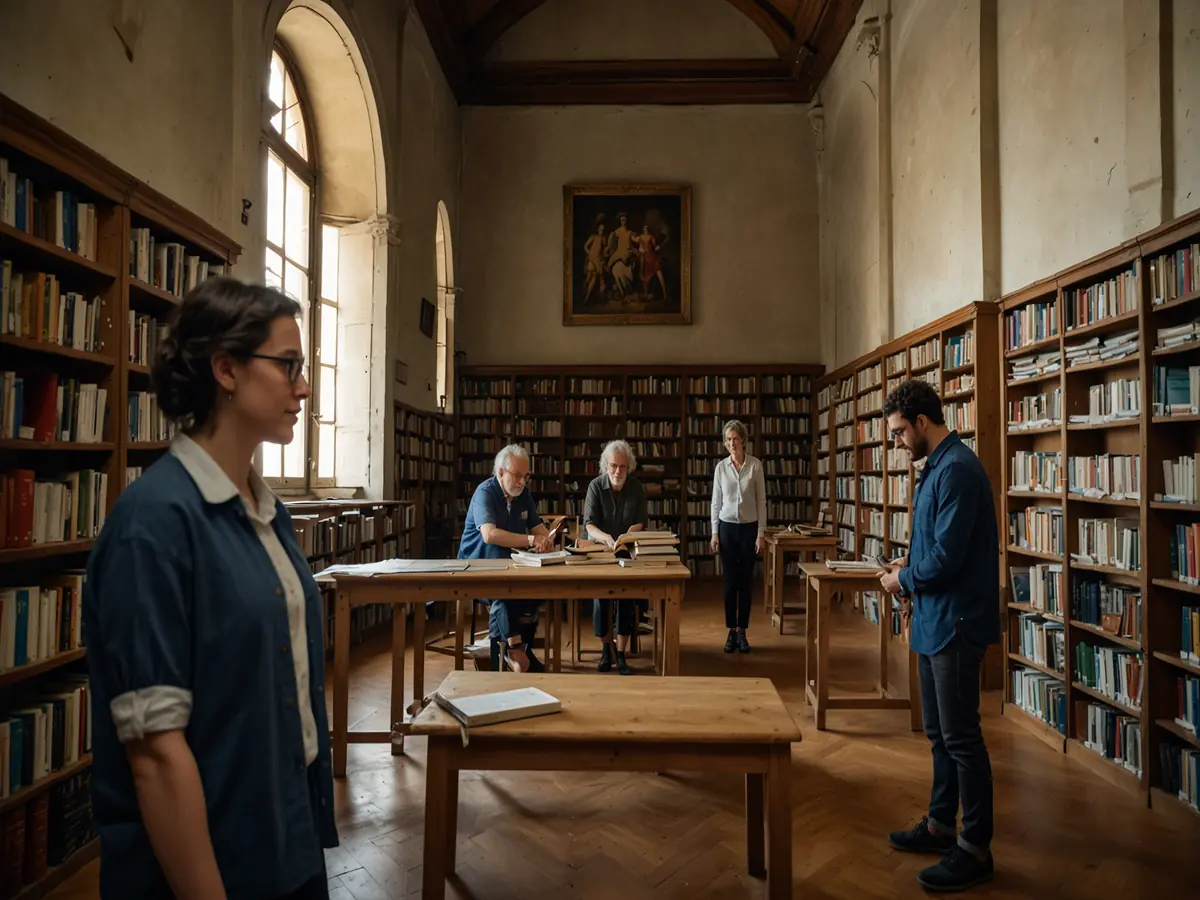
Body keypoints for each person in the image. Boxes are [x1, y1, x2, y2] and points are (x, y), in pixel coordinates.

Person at [82, 277, 337, 900]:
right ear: (226, 369)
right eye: (288, 365)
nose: (303, 386)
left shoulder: (266, 511)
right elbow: (156, 756)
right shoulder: (154, 524)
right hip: (209, 864)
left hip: (285, 835)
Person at [876, 379, 999, 893]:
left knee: (962, 738)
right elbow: (933, 544)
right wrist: (908, 560)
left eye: (901, 432)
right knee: (938, 734)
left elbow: (947, 559)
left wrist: (900, 579)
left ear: (922, 423)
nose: (898, 442)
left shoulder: (959, 470)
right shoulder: (934, 468)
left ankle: (974, 849)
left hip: (955, 622)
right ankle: (940, 823)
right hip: (933, 619)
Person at [457, 443, 555, 672]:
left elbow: (537, 526)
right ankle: (515, 649)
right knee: (503, 593)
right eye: (517, 476)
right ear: (500, 472)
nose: (522, 482)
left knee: (534, 593)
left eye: (526, 476)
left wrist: (546, 539)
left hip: (509, 566)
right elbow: (489, 535)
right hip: (477, 564)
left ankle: (513, 654)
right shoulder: (485, 492)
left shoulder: (523, 494)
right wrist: (532, 541)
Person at [583, 439, 648, 675]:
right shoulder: (595, 487)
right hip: (600, 550)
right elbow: (589, 525)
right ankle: (606, 649)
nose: (618, 471)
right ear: (605, 466)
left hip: (627, 551)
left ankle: (620, 653)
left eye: (622, 466)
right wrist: (607, 538)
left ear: (628, 466)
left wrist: (627, 537)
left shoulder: (636, 488)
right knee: (601, 596)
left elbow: (640, 522)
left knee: (627, 596)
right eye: (613, 466)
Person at [709, 419, 767, 653]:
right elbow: (715, 502)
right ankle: (730, 631)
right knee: (730, 582)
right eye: (728, 439)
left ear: (743, 439)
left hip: (749, 529)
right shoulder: (721, 468)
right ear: (725, 443)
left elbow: (762, 501)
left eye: (735, 438)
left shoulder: (755, 466)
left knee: (746, 582)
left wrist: (760, 534)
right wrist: (714, 533)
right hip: (727, 529)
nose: (732, 443)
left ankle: (742, 630)